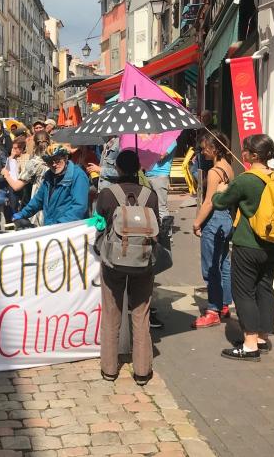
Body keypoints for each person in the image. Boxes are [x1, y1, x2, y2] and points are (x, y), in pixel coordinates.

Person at [212, 134, 274, 361]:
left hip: (248, 244)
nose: (242, 153)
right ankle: (263, 338)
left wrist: (221, 190)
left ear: (253, 155)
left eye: (245, 150)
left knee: (244, 292)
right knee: (265, 288)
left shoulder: (245, 180)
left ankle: (250, 345)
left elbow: (219, 203)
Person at [96, 150, 159, 386]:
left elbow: (99, 223)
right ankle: (142, 370)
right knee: (141, 314)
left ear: (118, 168)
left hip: (113, 261)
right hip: (143, 261)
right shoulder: (150, 195)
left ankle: (109, 369)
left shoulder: (106, 195)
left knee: (112, 313)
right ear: (138, 168)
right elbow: (158, 227)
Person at [191, 131, 235, 328]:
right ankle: (224, 304)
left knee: (210, 267)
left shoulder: (214, 171)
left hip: (214, 220)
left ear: (214, 148)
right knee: (224, 263)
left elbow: (209, 202)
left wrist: (197, 222)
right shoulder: (229, 168)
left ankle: (212, 310)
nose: (203, 151)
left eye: (205, 147)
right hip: (226, 219)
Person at [12, 146, 89, 226]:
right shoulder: (49, 176)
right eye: (50, 162)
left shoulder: (77, 175)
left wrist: (59, 225)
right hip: (51, 226)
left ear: (65, 158)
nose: (54, 164)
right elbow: (38, 200)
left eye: (57, 161)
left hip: (69, 228)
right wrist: (23, 213)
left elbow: (79, 206)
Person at [145, 140, 178, 222]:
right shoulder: (154, 140)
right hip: (148, 174)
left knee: (161, 207)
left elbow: (161, 156)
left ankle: (166, 233)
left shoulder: (171, 141)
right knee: (149, 206)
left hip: (160, 176)